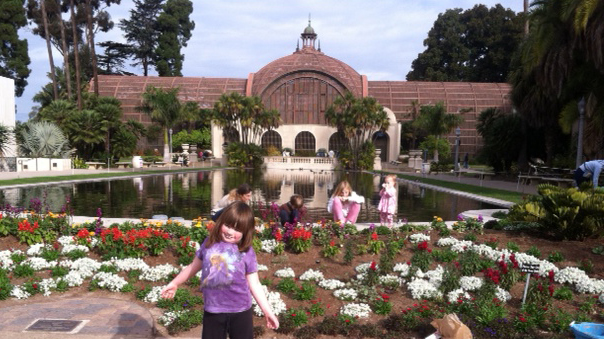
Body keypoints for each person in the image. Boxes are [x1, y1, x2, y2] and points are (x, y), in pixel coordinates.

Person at [161, 202, 279, 339]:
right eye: (227, 225)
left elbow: (255, 284)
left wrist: (267, 311)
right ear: (220, 221)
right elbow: (192, 267)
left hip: (240, 311)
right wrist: (175, 283)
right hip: (213, 310)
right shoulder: (209, 243)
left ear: (245, 232)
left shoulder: (246, 251)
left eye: (237, 229)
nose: (230, 232)